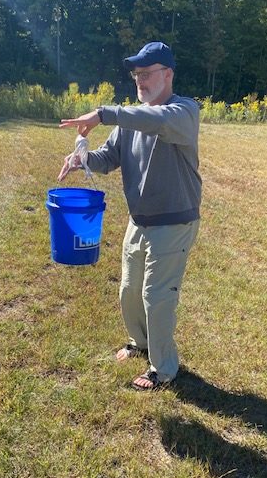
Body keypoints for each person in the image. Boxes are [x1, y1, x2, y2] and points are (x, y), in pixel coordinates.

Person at [58, 41, 201, 391]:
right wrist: (84, 160)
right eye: (136, 75)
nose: (140, 80)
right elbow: (109, 156)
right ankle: (140, 343)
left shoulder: (183, 111)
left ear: (167, 74)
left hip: (174, 220)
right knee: (128, 291)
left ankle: (164, 369)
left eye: (147, 73)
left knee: (157, 295)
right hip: (140, 220)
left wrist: (103, 113)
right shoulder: (131, 119)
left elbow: (156, 120)